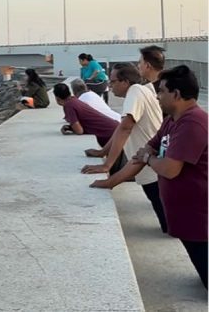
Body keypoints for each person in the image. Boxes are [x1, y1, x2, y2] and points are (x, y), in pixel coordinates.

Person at [131, 65, 207, 288]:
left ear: (176, 94)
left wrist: (149, 159)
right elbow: (148, 147)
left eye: (162, 91)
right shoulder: (172, 120)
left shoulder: (193, 123)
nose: (157, 96)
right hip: (185, 214)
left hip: (199, 215)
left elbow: (170, 169)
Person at [81, 64, 167, 233]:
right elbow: (122, 127)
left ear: (125, 82)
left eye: (113, 82)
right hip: (148, 168)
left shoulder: (135, 91)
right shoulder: (141, 90)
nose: (109, 86)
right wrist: (103, 152)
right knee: (170, 221)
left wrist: (107, 166)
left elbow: (126, 127)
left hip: (153, 172)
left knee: (172, 226)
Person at [53, 84, 119, 164]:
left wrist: (72, 128)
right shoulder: (74, 100)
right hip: (114, 128)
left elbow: (79, 131)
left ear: (57, 98)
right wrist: (71, 127)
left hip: (110, 134)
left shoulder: (68, 105)